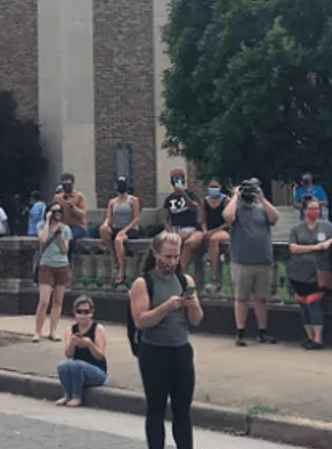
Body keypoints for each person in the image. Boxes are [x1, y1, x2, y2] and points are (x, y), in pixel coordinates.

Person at [129, 230, 203, 449]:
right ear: (156, 254)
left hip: (180, 349)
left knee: (182, 409)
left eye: (176, 256)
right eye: (168, 256)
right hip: (154, 351)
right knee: (156, 408)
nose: (172, 261)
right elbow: (141, 321)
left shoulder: (184, 280)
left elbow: (197, 320)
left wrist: (193, 305)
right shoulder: (143, 283)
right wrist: (166, 307)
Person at [287, 195, 332, 349]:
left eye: (316, 209)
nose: (314, 211)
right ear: (304, 210)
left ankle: (318, 339)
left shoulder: (326, 226)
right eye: (311, 209)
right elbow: (293, 247)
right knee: (303, 305)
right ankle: (309, 336)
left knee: (315, 304)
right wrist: (313, 248)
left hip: (318, 271)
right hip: (298, 271)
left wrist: (329, 242)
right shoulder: (296, 228)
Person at [224, 180, 279, 345]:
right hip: (242, 261)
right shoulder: (237, 210)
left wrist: (262, 198)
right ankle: (240, 332)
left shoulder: (262, 209)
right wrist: (235, 196)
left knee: (261, 298)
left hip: (263, 261)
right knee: (241, 298)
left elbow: (275, 217)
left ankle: (262, 331)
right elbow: (227, 217)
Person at [55, 294, 107, 406]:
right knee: (62, 366)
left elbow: (100, 355)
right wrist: (72, 343)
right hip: (77, 369)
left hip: (97, 370)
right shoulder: (71, 330)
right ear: (74, 313)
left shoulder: (97, 329)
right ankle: (67, 395)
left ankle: (77, 396)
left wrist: (90, 344)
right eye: (79, 311)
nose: (83, 315)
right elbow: (68, 355)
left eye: (86, 312)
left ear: (91, 313)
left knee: (76, 365)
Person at [34, 204, 72, 341]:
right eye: (54, 211)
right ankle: (37, 331)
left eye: (59, 211)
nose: (57, 214)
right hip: (46, 265)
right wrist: (47, 222)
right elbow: (43, 239)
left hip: (61, 265)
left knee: (58, 301)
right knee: (44, 300)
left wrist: (60, 234)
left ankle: (53, 331)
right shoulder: (41, 225)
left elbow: (65, 249)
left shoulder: (65, 228)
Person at [99, 176, 141, 285]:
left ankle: (121, 273)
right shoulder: (112, 202)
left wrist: (125, 230)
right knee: (103, 230)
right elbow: (109, 217)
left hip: (129, 229)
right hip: (116, 227)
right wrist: (105, 225)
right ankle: (115, 256)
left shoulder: (133, 200)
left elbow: (136, 218)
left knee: (118, 240)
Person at [163, 167, 202, 269]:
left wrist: (184, 195)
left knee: (178, 240)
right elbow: (165, 218)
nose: (177, 180)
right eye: (174, 178)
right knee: (167, 241)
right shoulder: (169, 199)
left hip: (190, 228)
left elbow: (194, 208)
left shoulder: (190, 194)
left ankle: (180, 270)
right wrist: (170, 230)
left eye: (179, 178)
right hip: (175, 228)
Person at [200, 179, 233, 292]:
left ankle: (215, 278)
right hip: (209, 231)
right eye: (211, 187)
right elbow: (203, 220)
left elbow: (228, 222)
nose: (213, 189)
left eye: (215, 186)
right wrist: (205, 230)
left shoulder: (226, 201)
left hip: (223, 230)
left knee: (214, 240)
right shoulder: (205, 201)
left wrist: (213, 231)